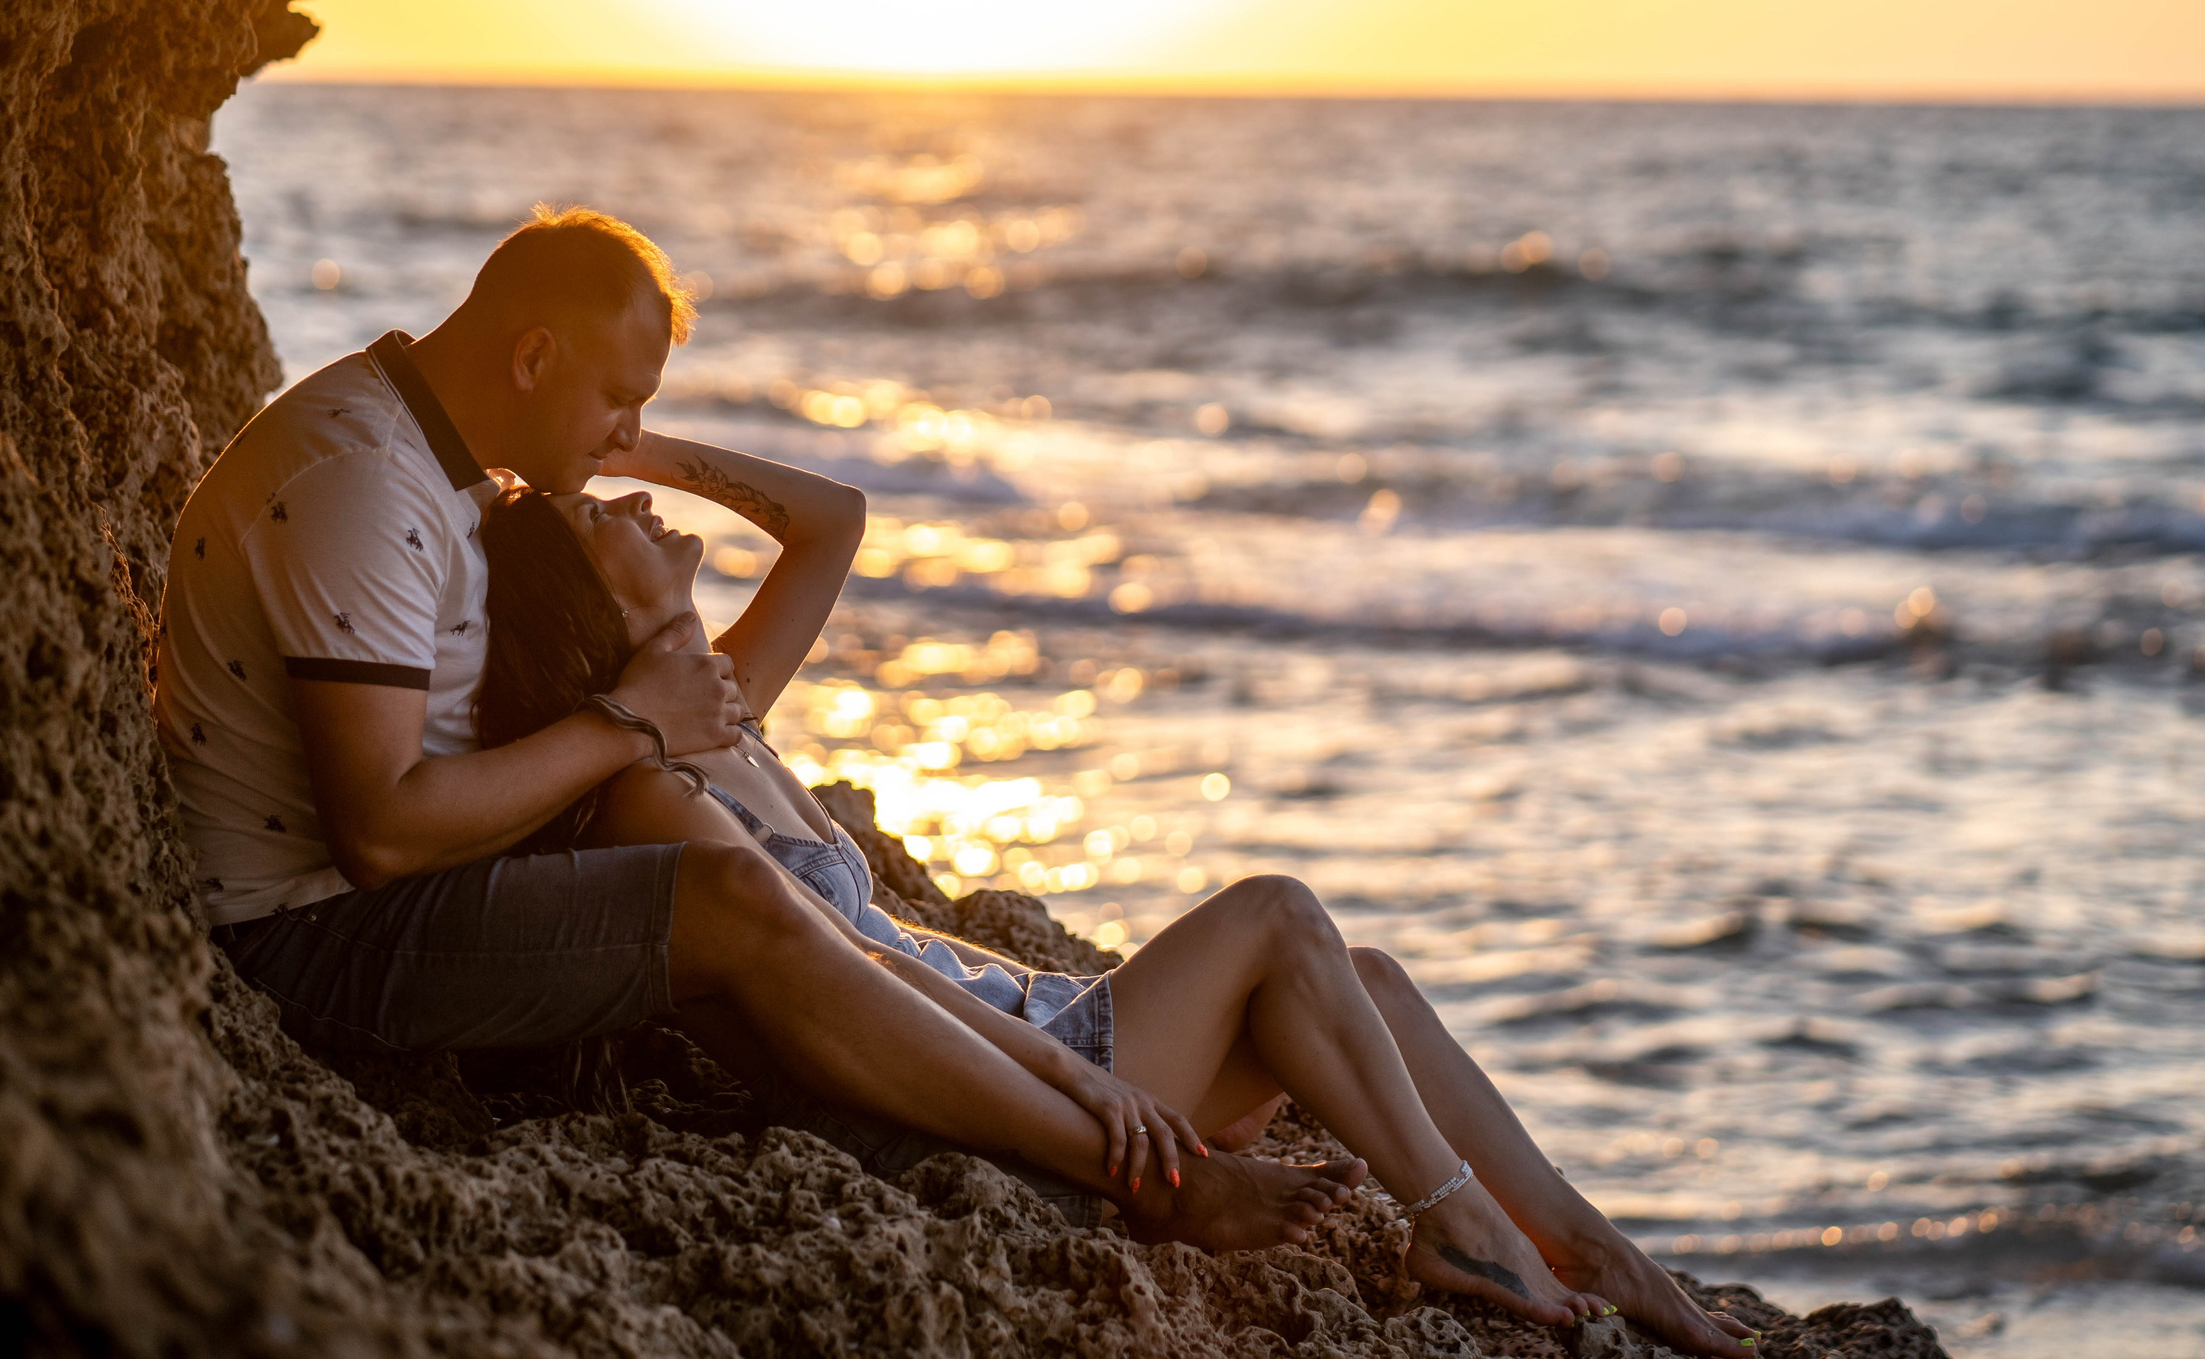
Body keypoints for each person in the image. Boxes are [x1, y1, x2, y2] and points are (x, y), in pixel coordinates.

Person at [157, 206, 1354, 1253]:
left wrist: (606, 449)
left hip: (412, 872)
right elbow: (376, 834)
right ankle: (1143, 1181)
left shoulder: (443, 462)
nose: (629, 441)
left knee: (765, 905)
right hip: (306, 940)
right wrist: (630, 720)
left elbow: (827, 522)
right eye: (621, 401)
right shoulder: (363, 481)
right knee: (735, 899)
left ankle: (1061, 1121)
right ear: (532, 354)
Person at [476, 436, 1765, 1358]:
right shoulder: (647, 785)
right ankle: (1456, 1224)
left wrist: (630, 440)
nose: (630, 504)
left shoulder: (716, 716)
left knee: (1360, 977)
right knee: (1276, 914)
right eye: (597, 520)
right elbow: (851, 977)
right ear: (584, 611)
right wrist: (1088, 1086)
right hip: (1007, 1086)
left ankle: (1586, 1245)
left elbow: (836, 520)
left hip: (1048, 1032)